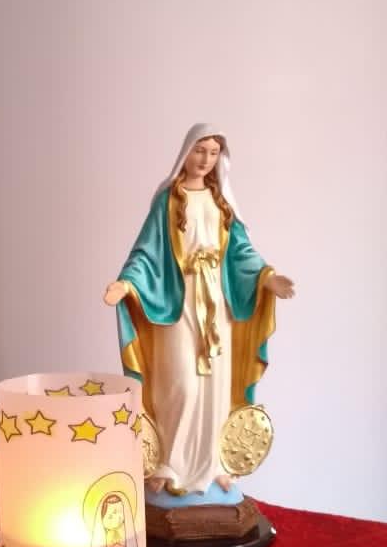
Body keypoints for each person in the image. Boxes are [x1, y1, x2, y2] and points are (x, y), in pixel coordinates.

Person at [103, 124, 294, 498]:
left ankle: (213, 463)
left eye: (213, 152)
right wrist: (127, 283)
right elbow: (147, 252)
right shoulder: (168, 200)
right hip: (178, 303)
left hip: (216, 306)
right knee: (181, 383)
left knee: (213, 387)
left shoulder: (222, 202)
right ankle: (168, 462)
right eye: (199, 150)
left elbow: (241, 252)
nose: (206, 159)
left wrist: (268, 278)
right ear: (186, 151)